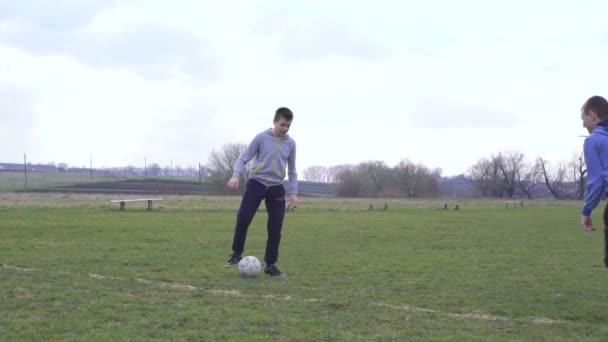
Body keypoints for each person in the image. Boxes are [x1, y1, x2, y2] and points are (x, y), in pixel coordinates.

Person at [224, 107, 298, 277]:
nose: (285, 128)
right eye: (282, 125)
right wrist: (236, 175)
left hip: (276, 187)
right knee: (243, 218)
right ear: (274, 122)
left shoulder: (291, 144)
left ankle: (270, 264)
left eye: (288, 126)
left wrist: (293, 193)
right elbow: (243, 158)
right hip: (256, 183)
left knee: (275, 227)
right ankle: (236, 254)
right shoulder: (261, 138)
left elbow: (292, 170)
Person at [580, 95, 608, 267]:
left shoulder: (593, 141)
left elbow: (597, 181)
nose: (583, 124)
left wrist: (587, 211)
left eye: (583, 118)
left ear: (592, 115)